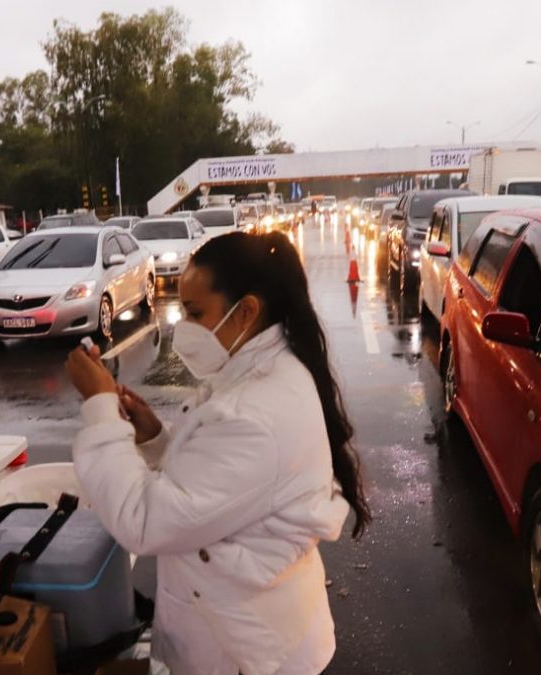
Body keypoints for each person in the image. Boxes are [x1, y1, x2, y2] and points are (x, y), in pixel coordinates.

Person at [66, 231, 370, 675]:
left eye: (194, 312)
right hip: (239, 627)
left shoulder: (257, 412)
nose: (182, 327)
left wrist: (99, 408)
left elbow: (145, 521)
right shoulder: (256, 371)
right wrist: (154, 437)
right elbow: (220, 489)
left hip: (247, 651)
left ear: (246, 310)